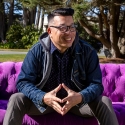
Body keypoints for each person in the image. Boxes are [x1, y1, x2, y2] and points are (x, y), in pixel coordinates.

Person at [3, 8, 119, 125]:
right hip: (44, 103)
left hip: (78, 103)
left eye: (72, 27)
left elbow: (96, 84)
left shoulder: (88, 51)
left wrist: (80, 97)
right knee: (16, 99)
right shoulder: (36, 51)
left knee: (104, 101)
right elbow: (23, 82)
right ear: (49, 31)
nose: (69, 32)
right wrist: (43, 97)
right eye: (63, 28)